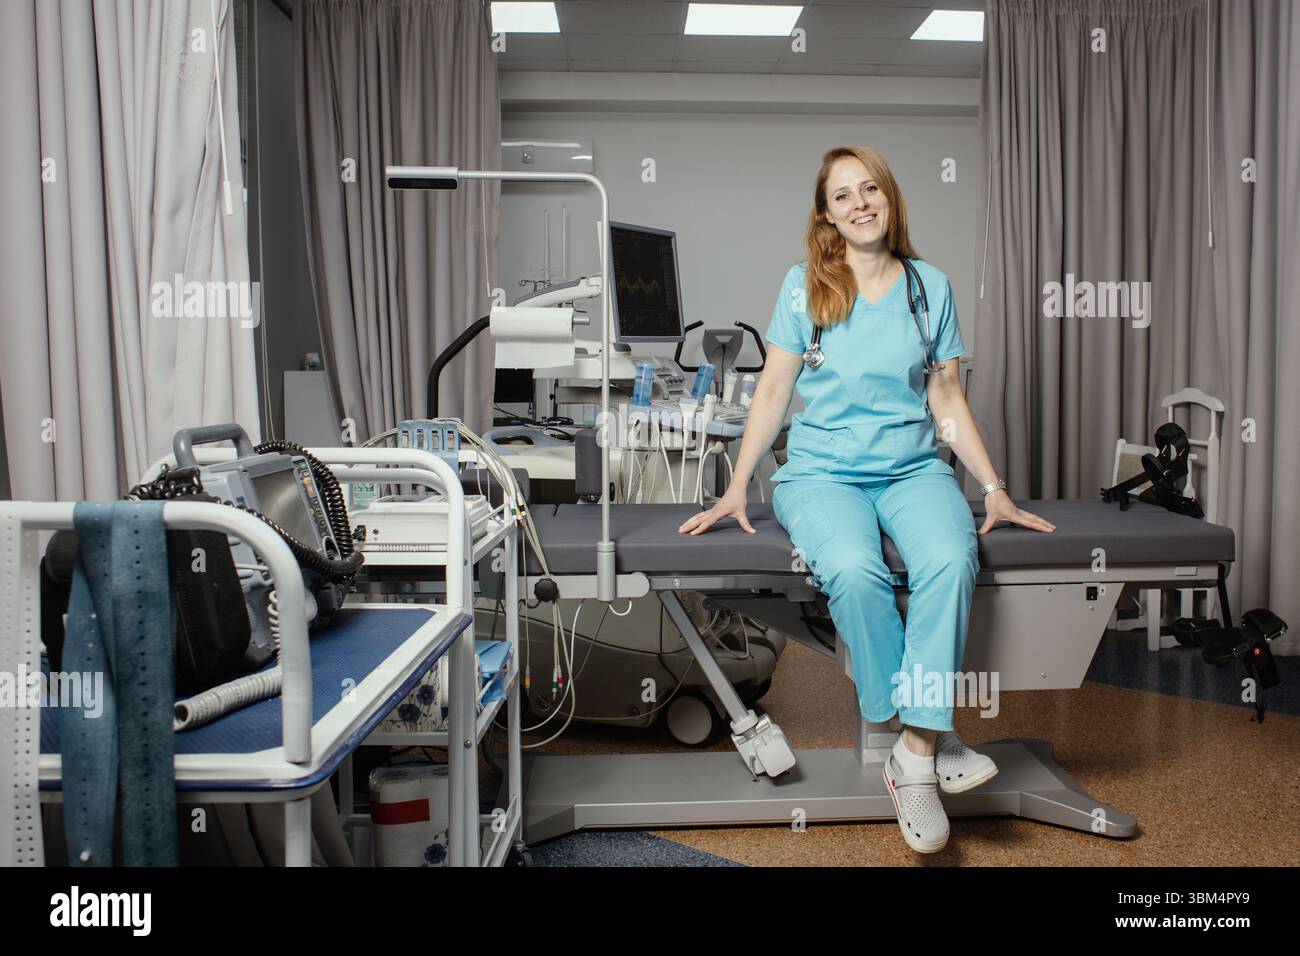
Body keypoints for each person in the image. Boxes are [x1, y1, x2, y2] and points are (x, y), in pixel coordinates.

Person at [677, 145, 1056, 854]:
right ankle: (926, 735)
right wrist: (736, 487)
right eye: (842, 196)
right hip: (822, 474)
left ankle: (913, 752)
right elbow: (774, 391)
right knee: (855, 572)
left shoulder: (928, 289)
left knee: (951, 556)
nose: (860, 204)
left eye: (870, 189)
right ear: (826, 214)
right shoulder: (806, 286)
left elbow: (946, 399)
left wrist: (995, 488)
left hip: (914, 471)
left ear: (889, 197)